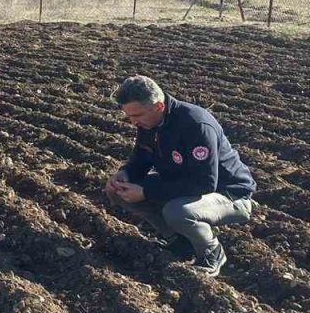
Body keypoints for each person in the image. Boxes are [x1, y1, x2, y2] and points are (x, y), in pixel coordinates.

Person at [105, 75, 255, 277]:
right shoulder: (148, 124)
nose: (133, 122)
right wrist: (125, 174)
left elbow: (204, 183)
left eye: (137, 115)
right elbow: (142, 158)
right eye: (129, 116)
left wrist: (147, 191)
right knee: (118, 191)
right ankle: (181, 242)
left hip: (228, 193)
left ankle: (211, 252)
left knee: (177, 211)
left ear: (158, 106)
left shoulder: (195, 124)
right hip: (183, 184)